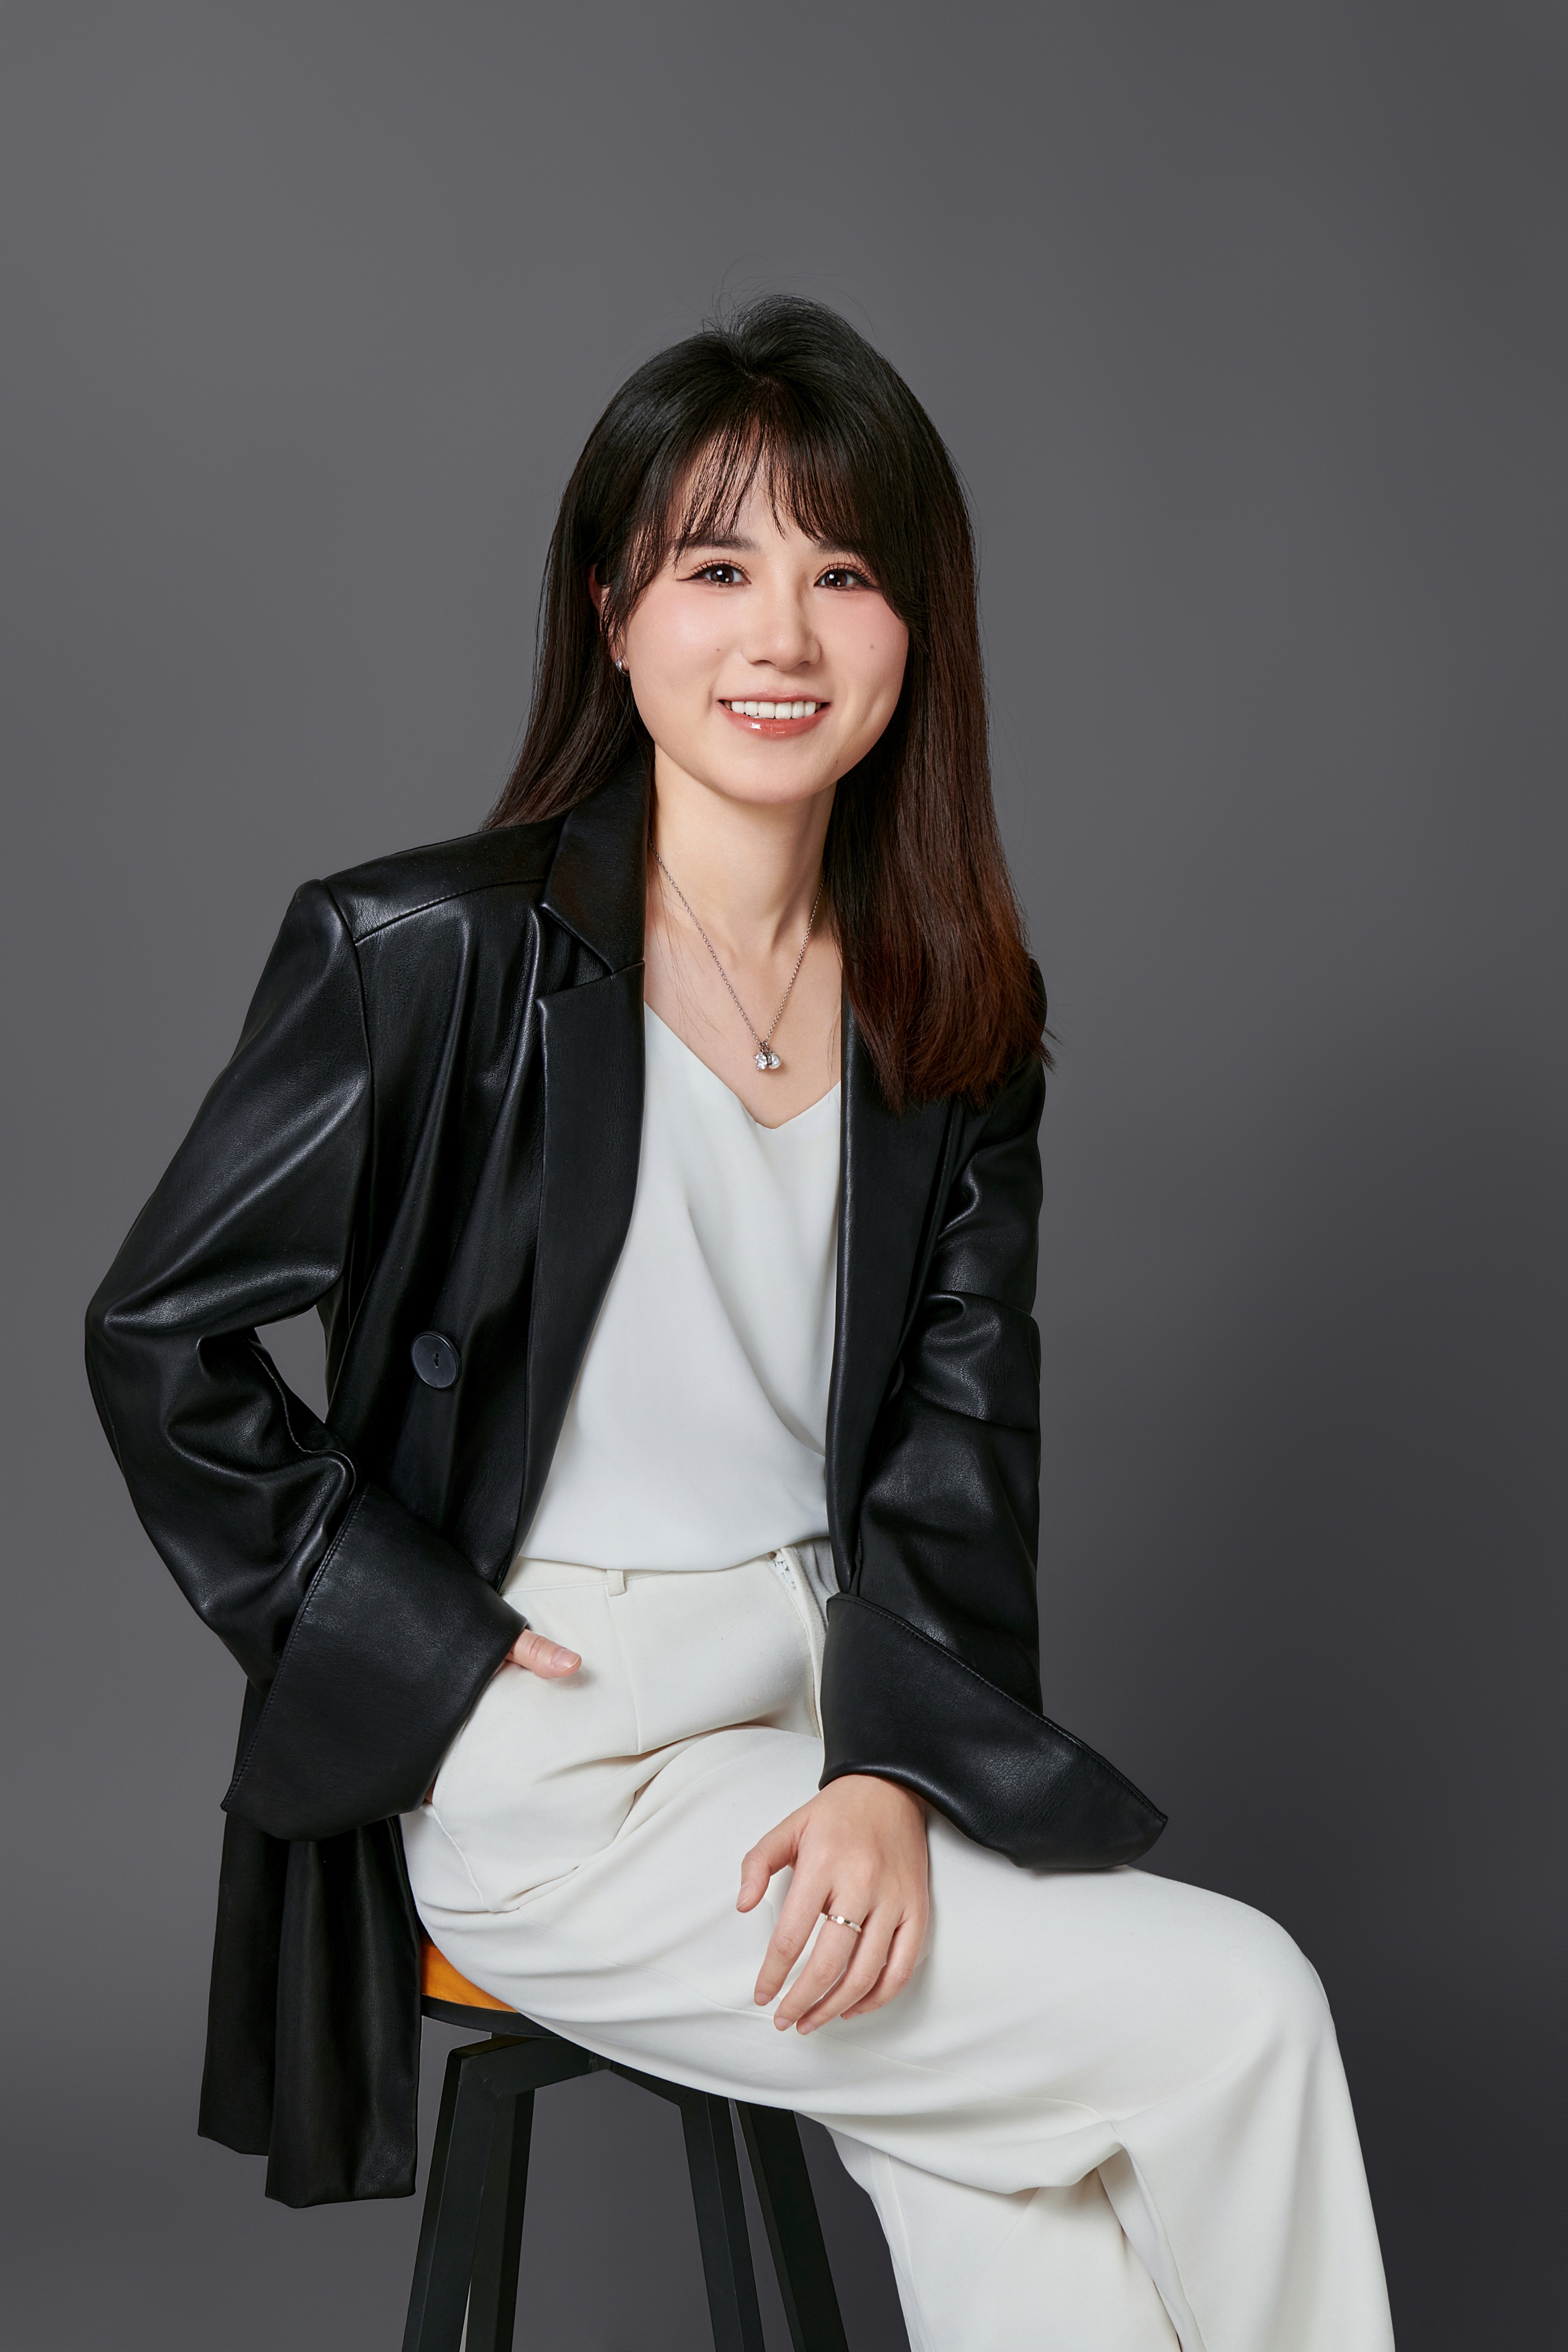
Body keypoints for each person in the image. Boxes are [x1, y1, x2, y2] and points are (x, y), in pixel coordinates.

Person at [85, 297, 1394, 2350]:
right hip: (564, 1761)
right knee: (1237, 2008)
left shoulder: (953, 1011)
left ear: (917, 634)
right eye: (716, 568)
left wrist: (894, 1770)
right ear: (613, 614)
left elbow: (957, 1442)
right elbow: (161, 1334)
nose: (781, 635)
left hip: (826, 1719)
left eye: (844, 573)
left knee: (1032, 2194)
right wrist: (419, 1639)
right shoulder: (424, 953)